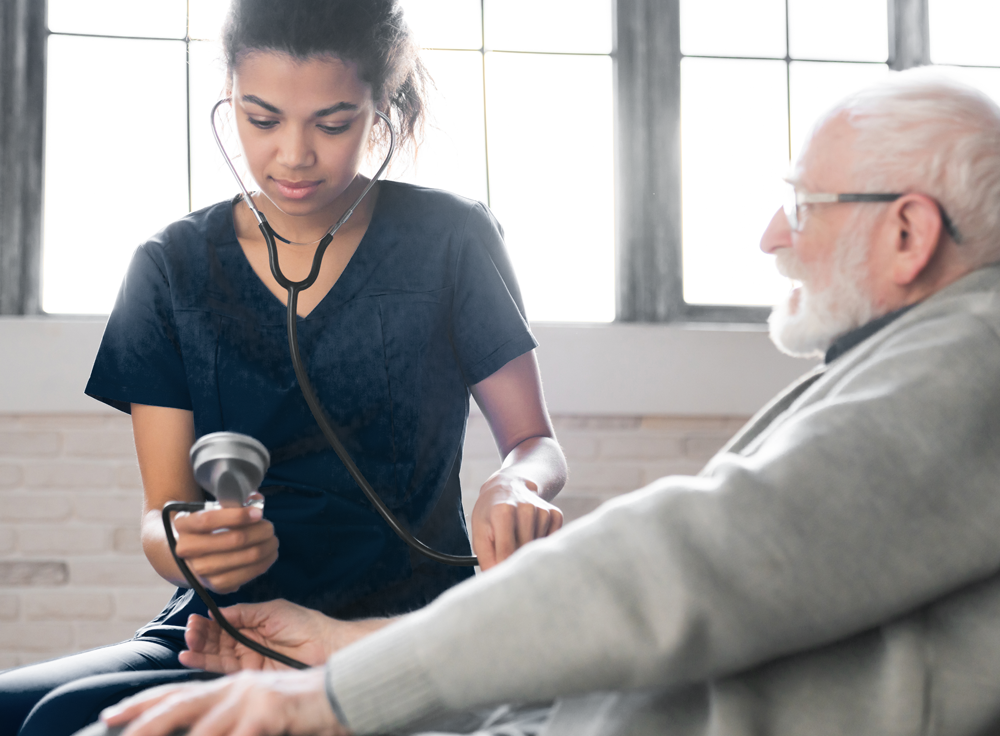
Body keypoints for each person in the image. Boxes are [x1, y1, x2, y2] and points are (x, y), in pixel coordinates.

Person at [97, 68, 1000, 736]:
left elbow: (688, 567)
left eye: (803, 205)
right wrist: (340, 648)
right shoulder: (917, 364)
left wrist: (330, 693)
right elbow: (684, 620)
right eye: (264, 117)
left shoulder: (977, 356)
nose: (771, 236)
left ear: (910, 230)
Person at [0, 0, 567, 736]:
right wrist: (190, 547)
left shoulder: (452, 239)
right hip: (224, 634)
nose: (293, 155)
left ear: (383, 108)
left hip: (394, 629)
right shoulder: (169, 268)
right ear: (228, 94)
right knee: (27, 715)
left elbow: (534, 441)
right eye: (261, 118)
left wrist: (517, 485)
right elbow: (162, 514)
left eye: (333, 124)